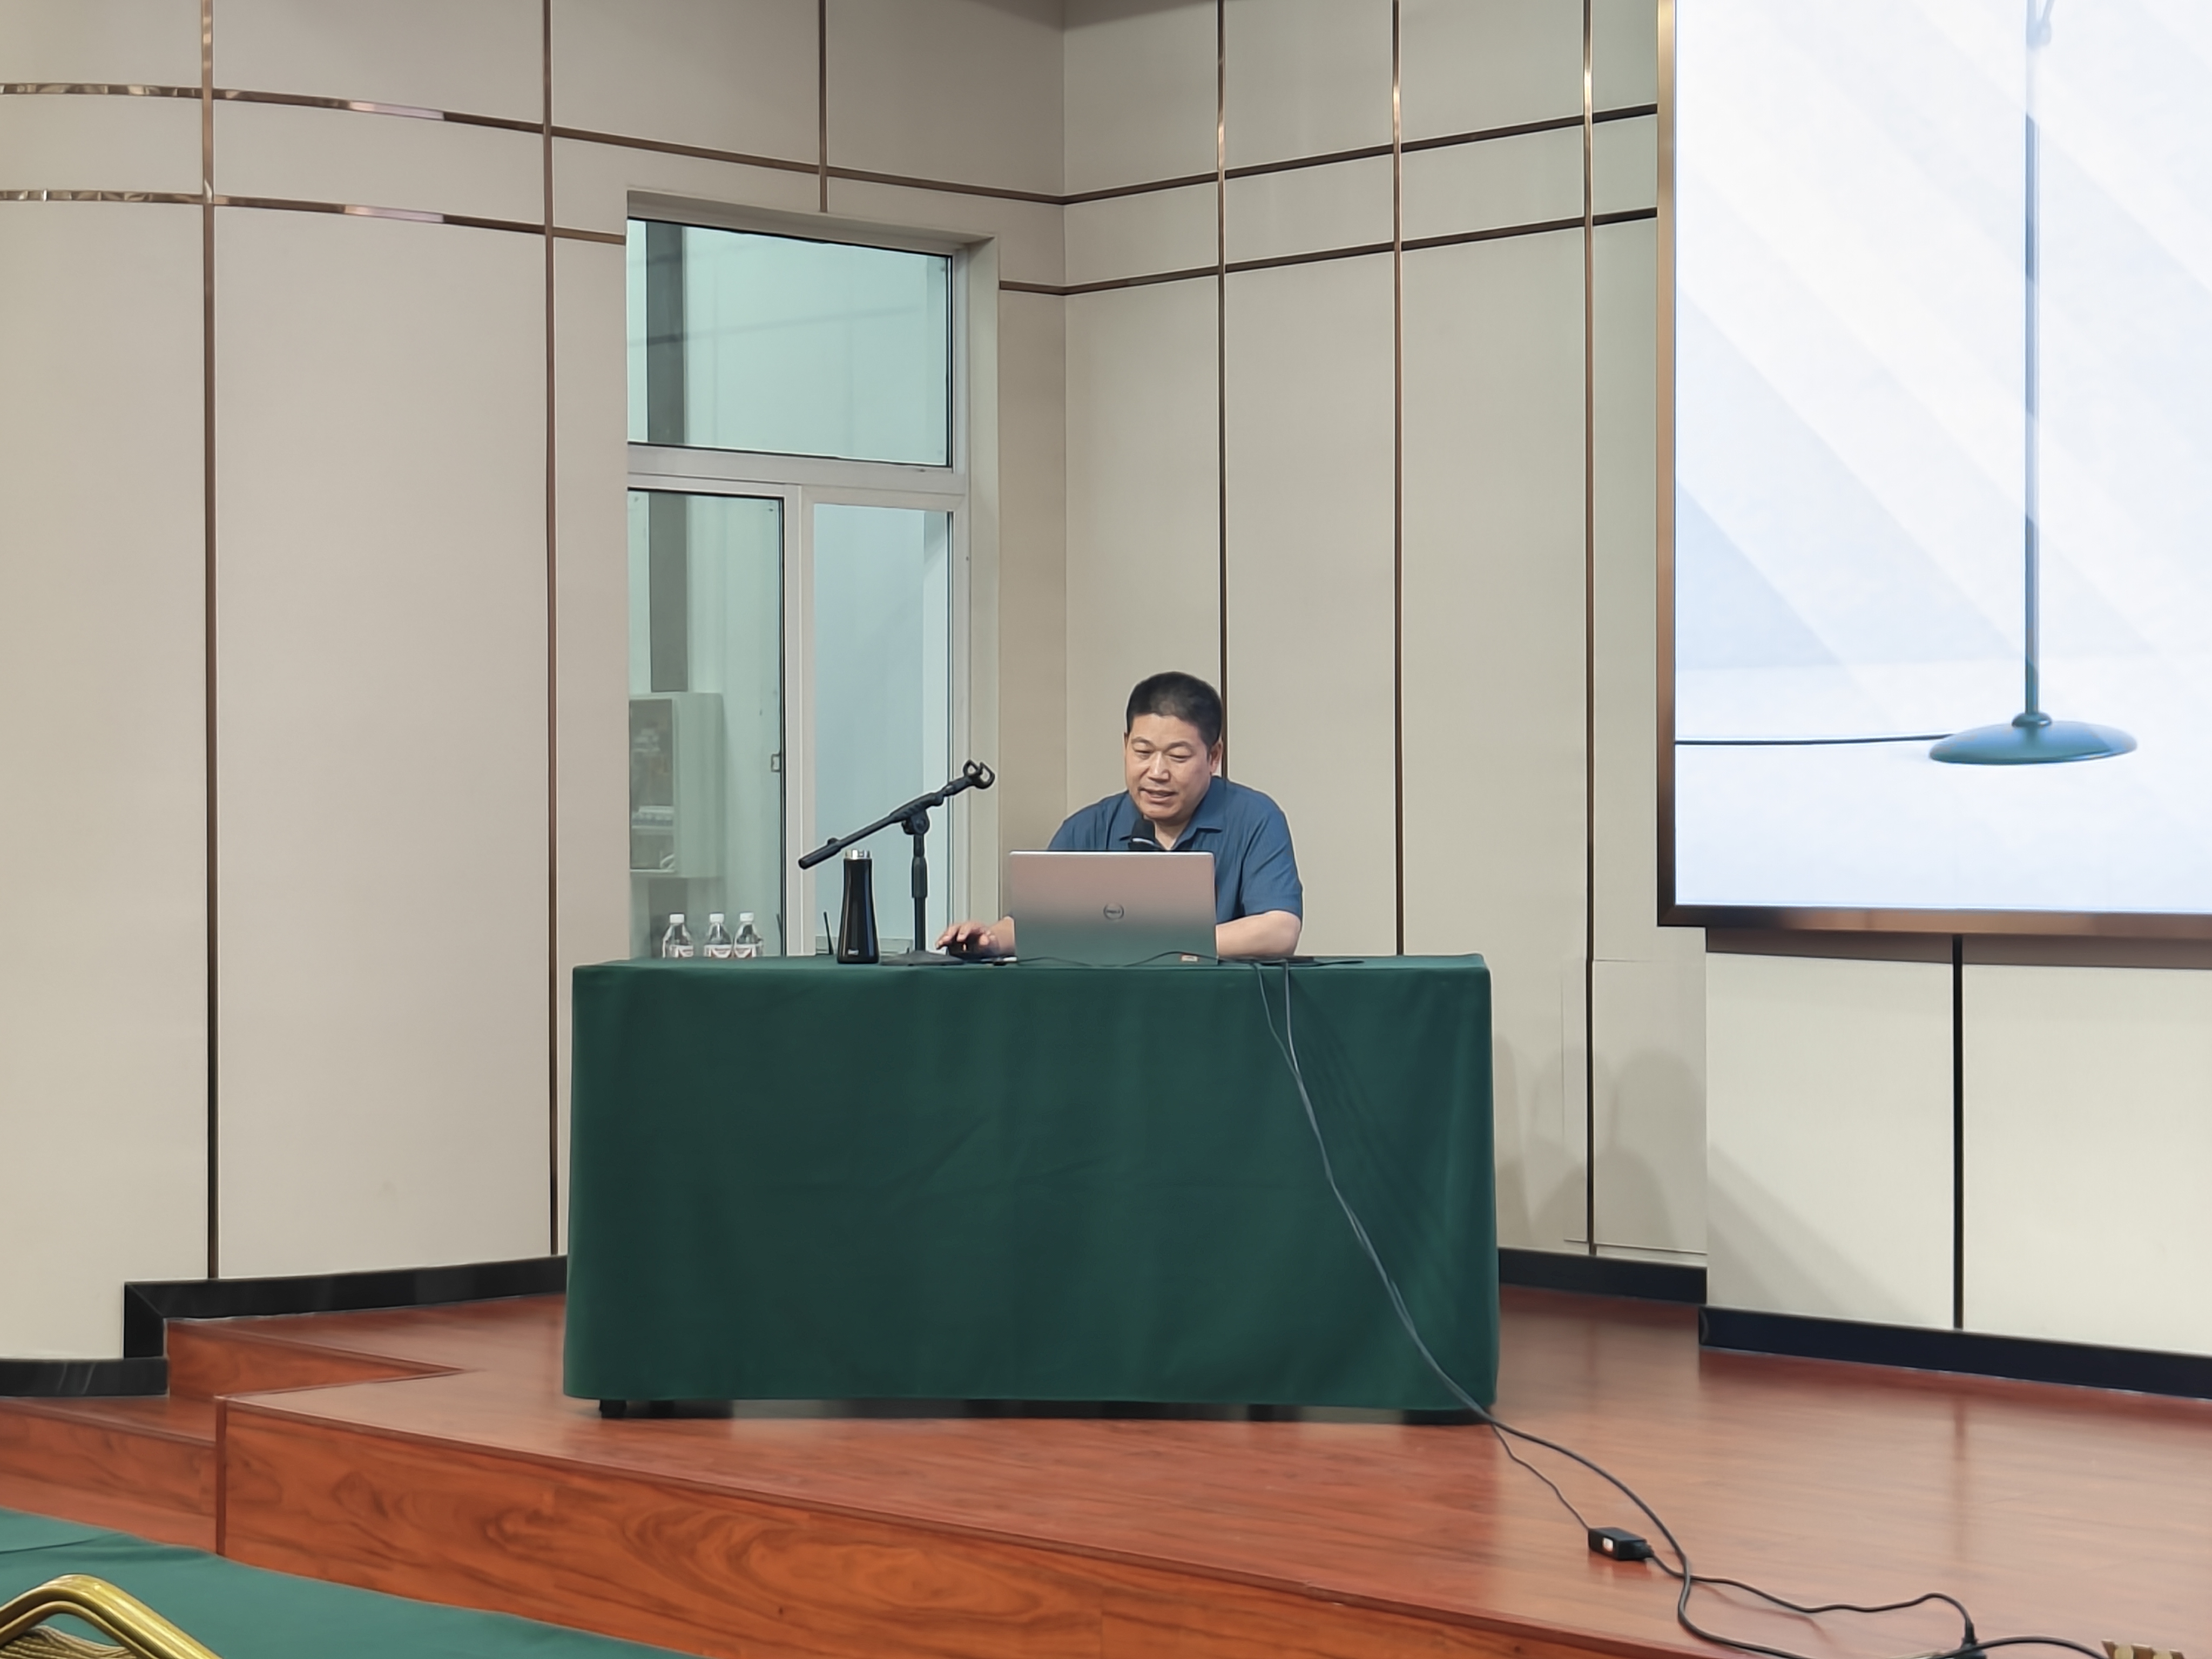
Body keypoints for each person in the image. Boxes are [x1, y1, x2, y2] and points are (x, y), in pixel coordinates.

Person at [936, 671, 1303, 960]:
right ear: (1125, 745)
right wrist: (990, 939)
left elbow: (1279, 930)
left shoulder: (1254, 818)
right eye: (1142, 752)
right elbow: (1035, 924)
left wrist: (1155, 945)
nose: (1157, 772)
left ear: (1214, 756)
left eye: (1178, 757)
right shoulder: (1089, 828)